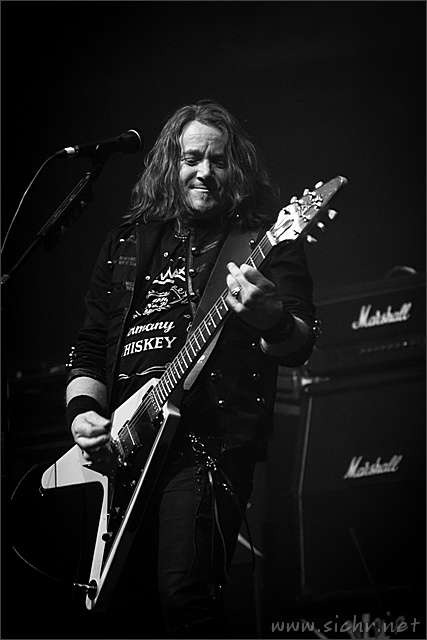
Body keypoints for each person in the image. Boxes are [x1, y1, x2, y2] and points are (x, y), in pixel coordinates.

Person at [66, 100, 318, 638]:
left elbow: (300, 344)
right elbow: (88, 348)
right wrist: (84, 413)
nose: (205, 171)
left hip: (207, 445)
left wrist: (271, 317)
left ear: (236, 169)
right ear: (169, 164)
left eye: (218, 161)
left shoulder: (265, 241)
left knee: (185, 600)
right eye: (192, 158)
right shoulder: (127, 242)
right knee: (127, 619)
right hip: (125, 453)